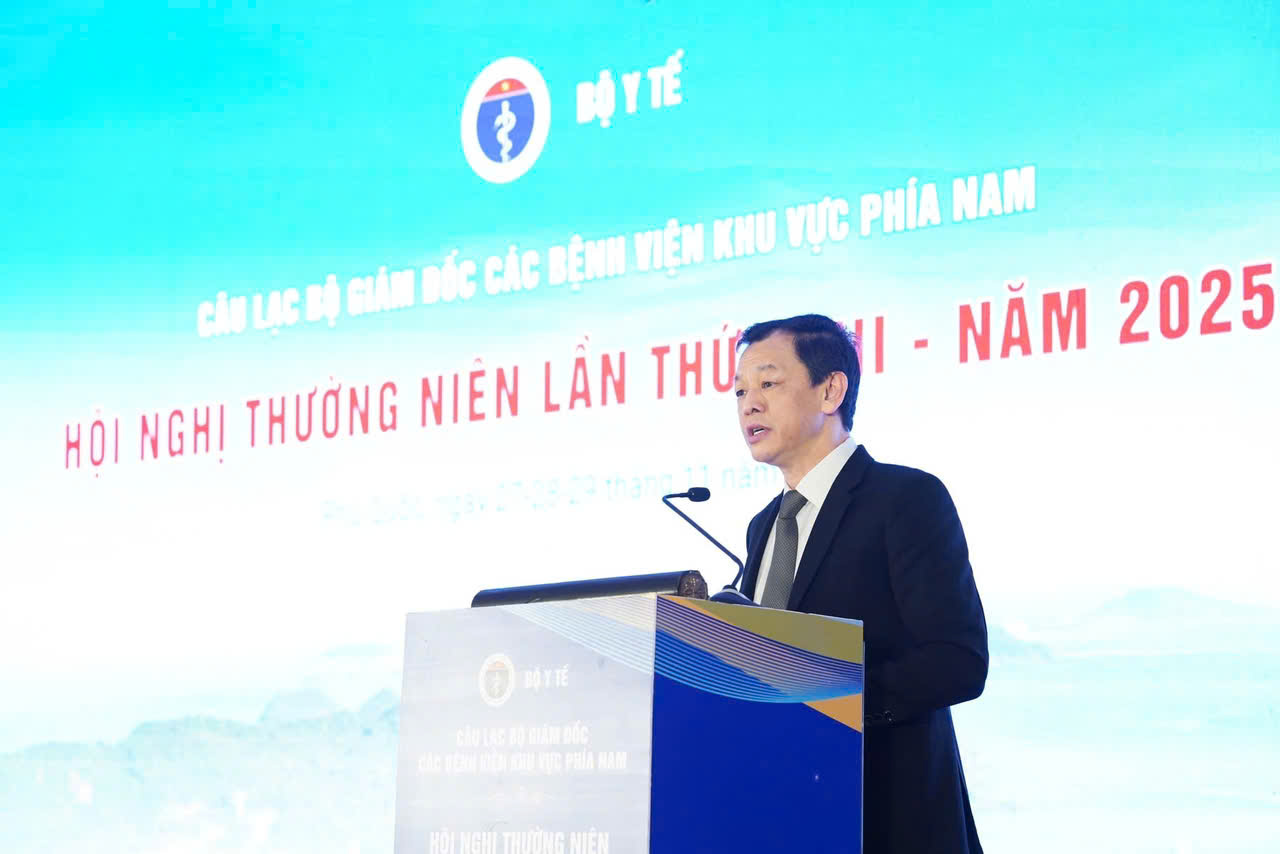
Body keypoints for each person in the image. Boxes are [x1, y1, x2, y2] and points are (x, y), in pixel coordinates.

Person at [734, 313, 988, 854]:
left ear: (831, 390)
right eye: (739, 392)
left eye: (768, 383)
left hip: (889, 821)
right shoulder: (763, 527)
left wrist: (828, 705)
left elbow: (957, 660)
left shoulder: (905, 499)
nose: (748, 404)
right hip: (784, 820)